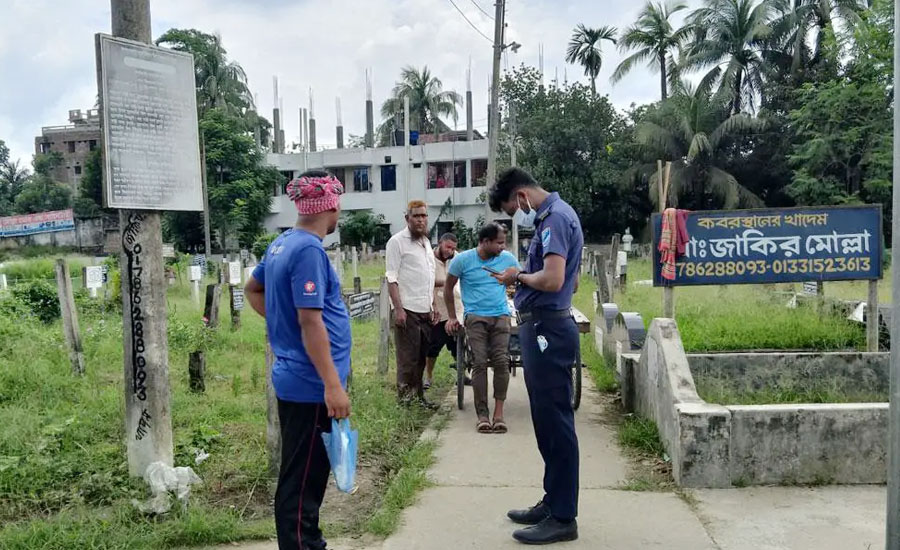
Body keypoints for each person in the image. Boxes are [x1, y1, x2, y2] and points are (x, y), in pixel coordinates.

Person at [244, 170, 351, 550]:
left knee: (303, 474)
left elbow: (253, 289)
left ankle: (307, 541)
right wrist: (333, 385)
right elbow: (310, 319)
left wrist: (282, 329)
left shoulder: (282, 242)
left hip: (299, 376)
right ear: (332, 205)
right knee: (303, 480)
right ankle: (303, 544)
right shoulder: (307, 249)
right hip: (313, 386)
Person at [488, 167, 584, 545]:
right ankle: (553, 501)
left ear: (522, 194)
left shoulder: (555, 218)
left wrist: (520, 277)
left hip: (548, 328)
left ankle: (563, 517)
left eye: (514, 208)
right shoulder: (555, 217)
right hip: (543, 325)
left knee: (556, 423)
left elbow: (555, 279)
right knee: (545, 422)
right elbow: (571, 279)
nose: (517, 214)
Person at [445, 223, 519, 433]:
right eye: (499, 243)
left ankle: (499, 413)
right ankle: (482, 414)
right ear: (485, 242)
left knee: (502, 362)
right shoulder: (463, 260)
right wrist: (451, 316)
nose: (503, 247)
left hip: (500, 316)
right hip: (475, 317)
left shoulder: (508, 260)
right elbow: (448, 288)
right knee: (479, 363)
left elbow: (520, 281)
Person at [385, 200, 439, 409]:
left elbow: (430, 276)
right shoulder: (397, 242)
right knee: (407, 358)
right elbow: (391, 278)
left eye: (424, 216)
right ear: (407, 218)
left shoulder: (425, 242)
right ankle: (405, 401)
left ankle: (419, 398)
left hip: (425, 309)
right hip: (407, 310)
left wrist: (434, 304)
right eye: (416, 216)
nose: (421, 220)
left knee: (421, 356)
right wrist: (398, 309)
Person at [425, 232, 465, 390]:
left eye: (453, 248)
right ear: (440, 243)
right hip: (438, 308)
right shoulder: (429, 258)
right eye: (448, 247)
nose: (450, 251)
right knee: (433, 345)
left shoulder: (457, 258)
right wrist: (447, 281)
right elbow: (426, 280)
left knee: (458, 345)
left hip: (456, 307)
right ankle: (428, 377)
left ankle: (461, 375)